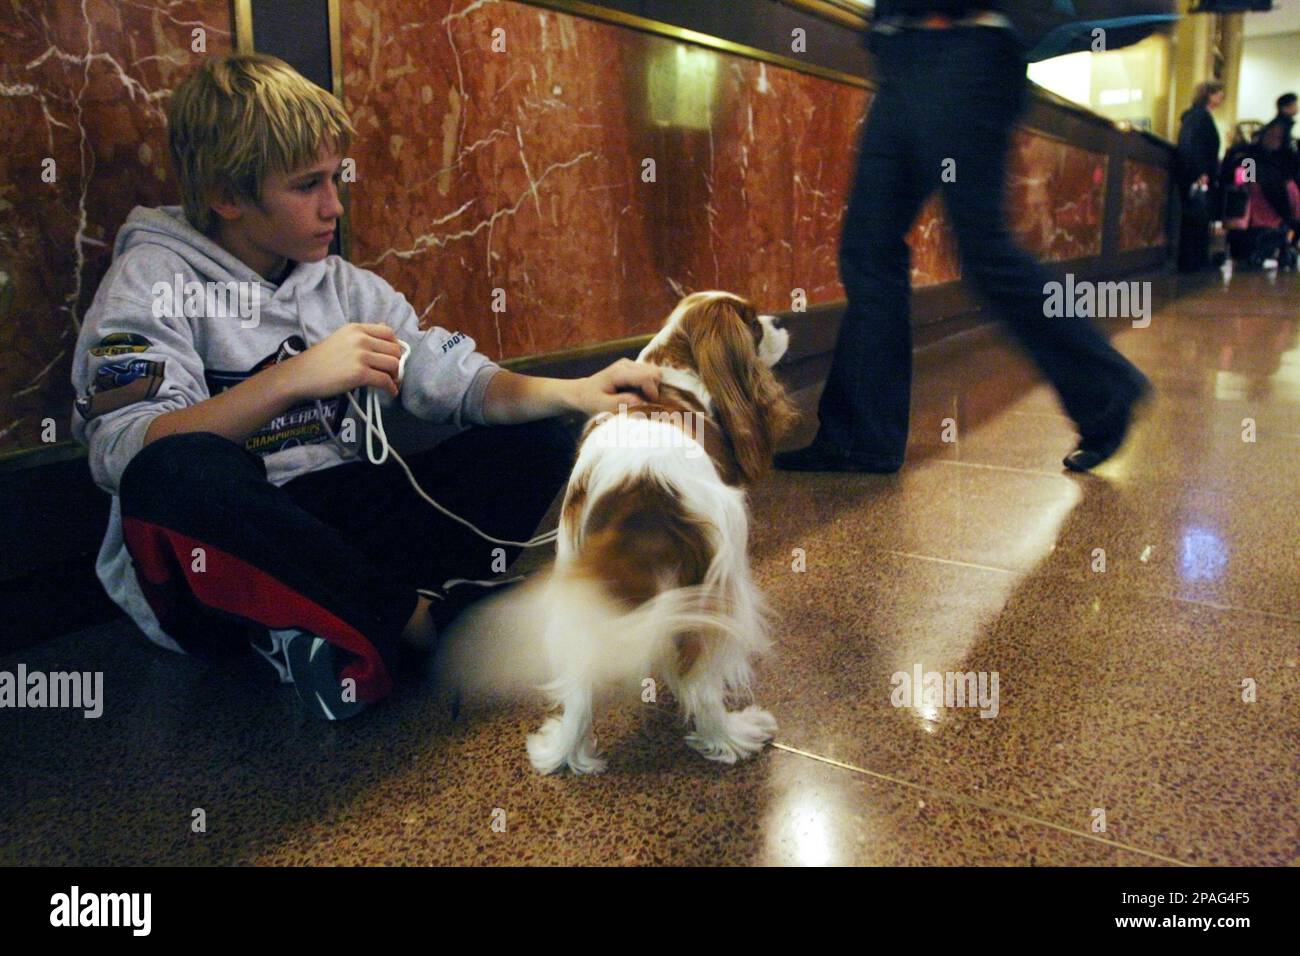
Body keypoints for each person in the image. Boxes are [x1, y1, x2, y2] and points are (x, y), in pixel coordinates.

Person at [69, 53, 662, 720]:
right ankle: (412, 621)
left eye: (334, 179)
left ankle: (325, 628)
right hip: (216, 563)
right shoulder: (151, 278)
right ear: (228, 196)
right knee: (175, 470)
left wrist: (581, 391)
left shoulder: (345, 285)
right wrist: (296, 378)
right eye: (307, 186)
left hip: (330, 521)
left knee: (540, 435)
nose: (334, 207)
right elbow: (123, 454)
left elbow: (455, 380)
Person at [776, 0, 1151, 476]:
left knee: (983, 252)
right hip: (905, 53)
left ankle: (1104, 390)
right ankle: (861, 438)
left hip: (967, 50)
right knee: (869, 247)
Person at [1175, 80, 1225, 273]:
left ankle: (1195, 259)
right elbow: (1193, 146)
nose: (1221, 97)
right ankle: (1193, 261)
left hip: (1198, 173)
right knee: (1197, 216)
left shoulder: (1198, 116)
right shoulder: (1199, 117)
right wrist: (1200, 173)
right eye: (1218, 93)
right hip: (1198, 174)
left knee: (1197, 216)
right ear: (1209, 95)